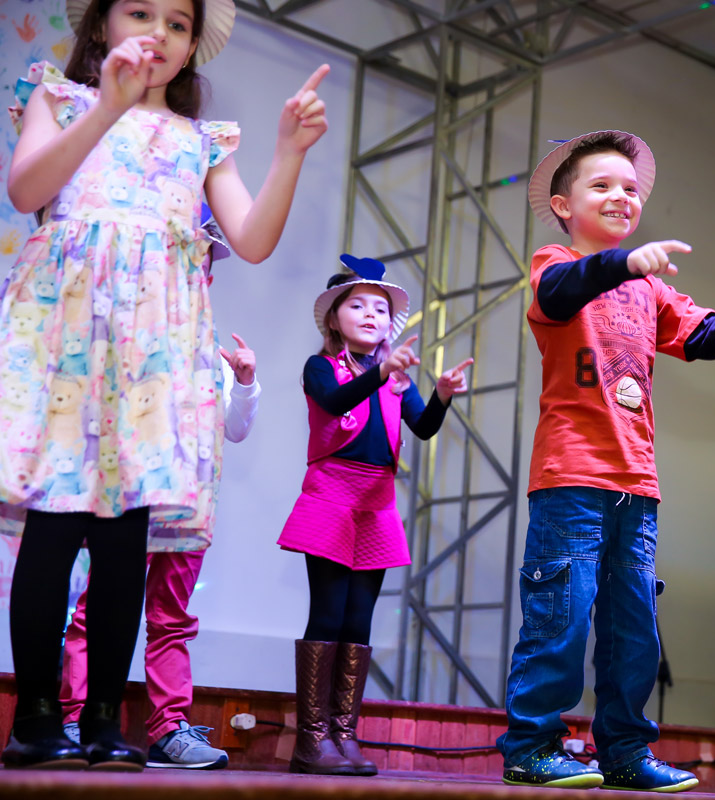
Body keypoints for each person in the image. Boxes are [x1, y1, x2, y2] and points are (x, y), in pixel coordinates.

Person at [0, 0, 328, 770]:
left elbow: (251, 239)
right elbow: (26, 190)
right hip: (69, 335)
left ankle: (104, 721)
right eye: (140, 11)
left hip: (155, 348)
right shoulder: (58, 97)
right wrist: (107, 106)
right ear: (101, 26)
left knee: (125, 537)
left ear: (190, 49)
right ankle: (37, 717)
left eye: (177, 23)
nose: (158, 31)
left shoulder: (201, 140)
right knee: (54, 525)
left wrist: (288, 153)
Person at [496, 130, 715, 792]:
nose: (621, 197)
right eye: (602, 185)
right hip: (571, 477)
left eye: (630, 189)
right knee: (561, 615)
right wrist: (624, 263)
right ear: (563, 205)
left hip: (636, 484)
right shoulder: (554, 263)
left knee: (634, 627)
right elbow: (559, 293)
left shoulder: (649, 289)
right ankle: (532, 745)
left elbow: (707, 332)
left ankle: (626, 751)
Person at [57, 208, 259, 770]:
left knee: (171, 617)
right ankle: (75, 718)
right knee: (96, 606)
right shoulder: (130, 334)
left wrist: (245, 382)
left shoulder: (216, 354)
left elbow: (236, 429)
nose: (197, 271)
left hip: (190, 507)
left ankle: (169, 729)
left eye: (204, 262)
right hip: (130, 500)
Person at [276, 254, 472, 776]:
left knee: (359, 621)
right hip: (331, 495)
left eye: (380, 310)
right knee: (328, 614)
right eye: (357, 306)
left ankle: (343, 734)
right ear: (333, 318)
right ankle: (311, 740)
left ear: (390, 324)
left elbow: (423, 428)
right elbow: (336, 401)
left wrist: (442, 396)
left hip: (377, 502)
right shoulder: (320, 367)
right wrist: (381, 372)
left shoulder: (395, 379)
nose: (370, 315)